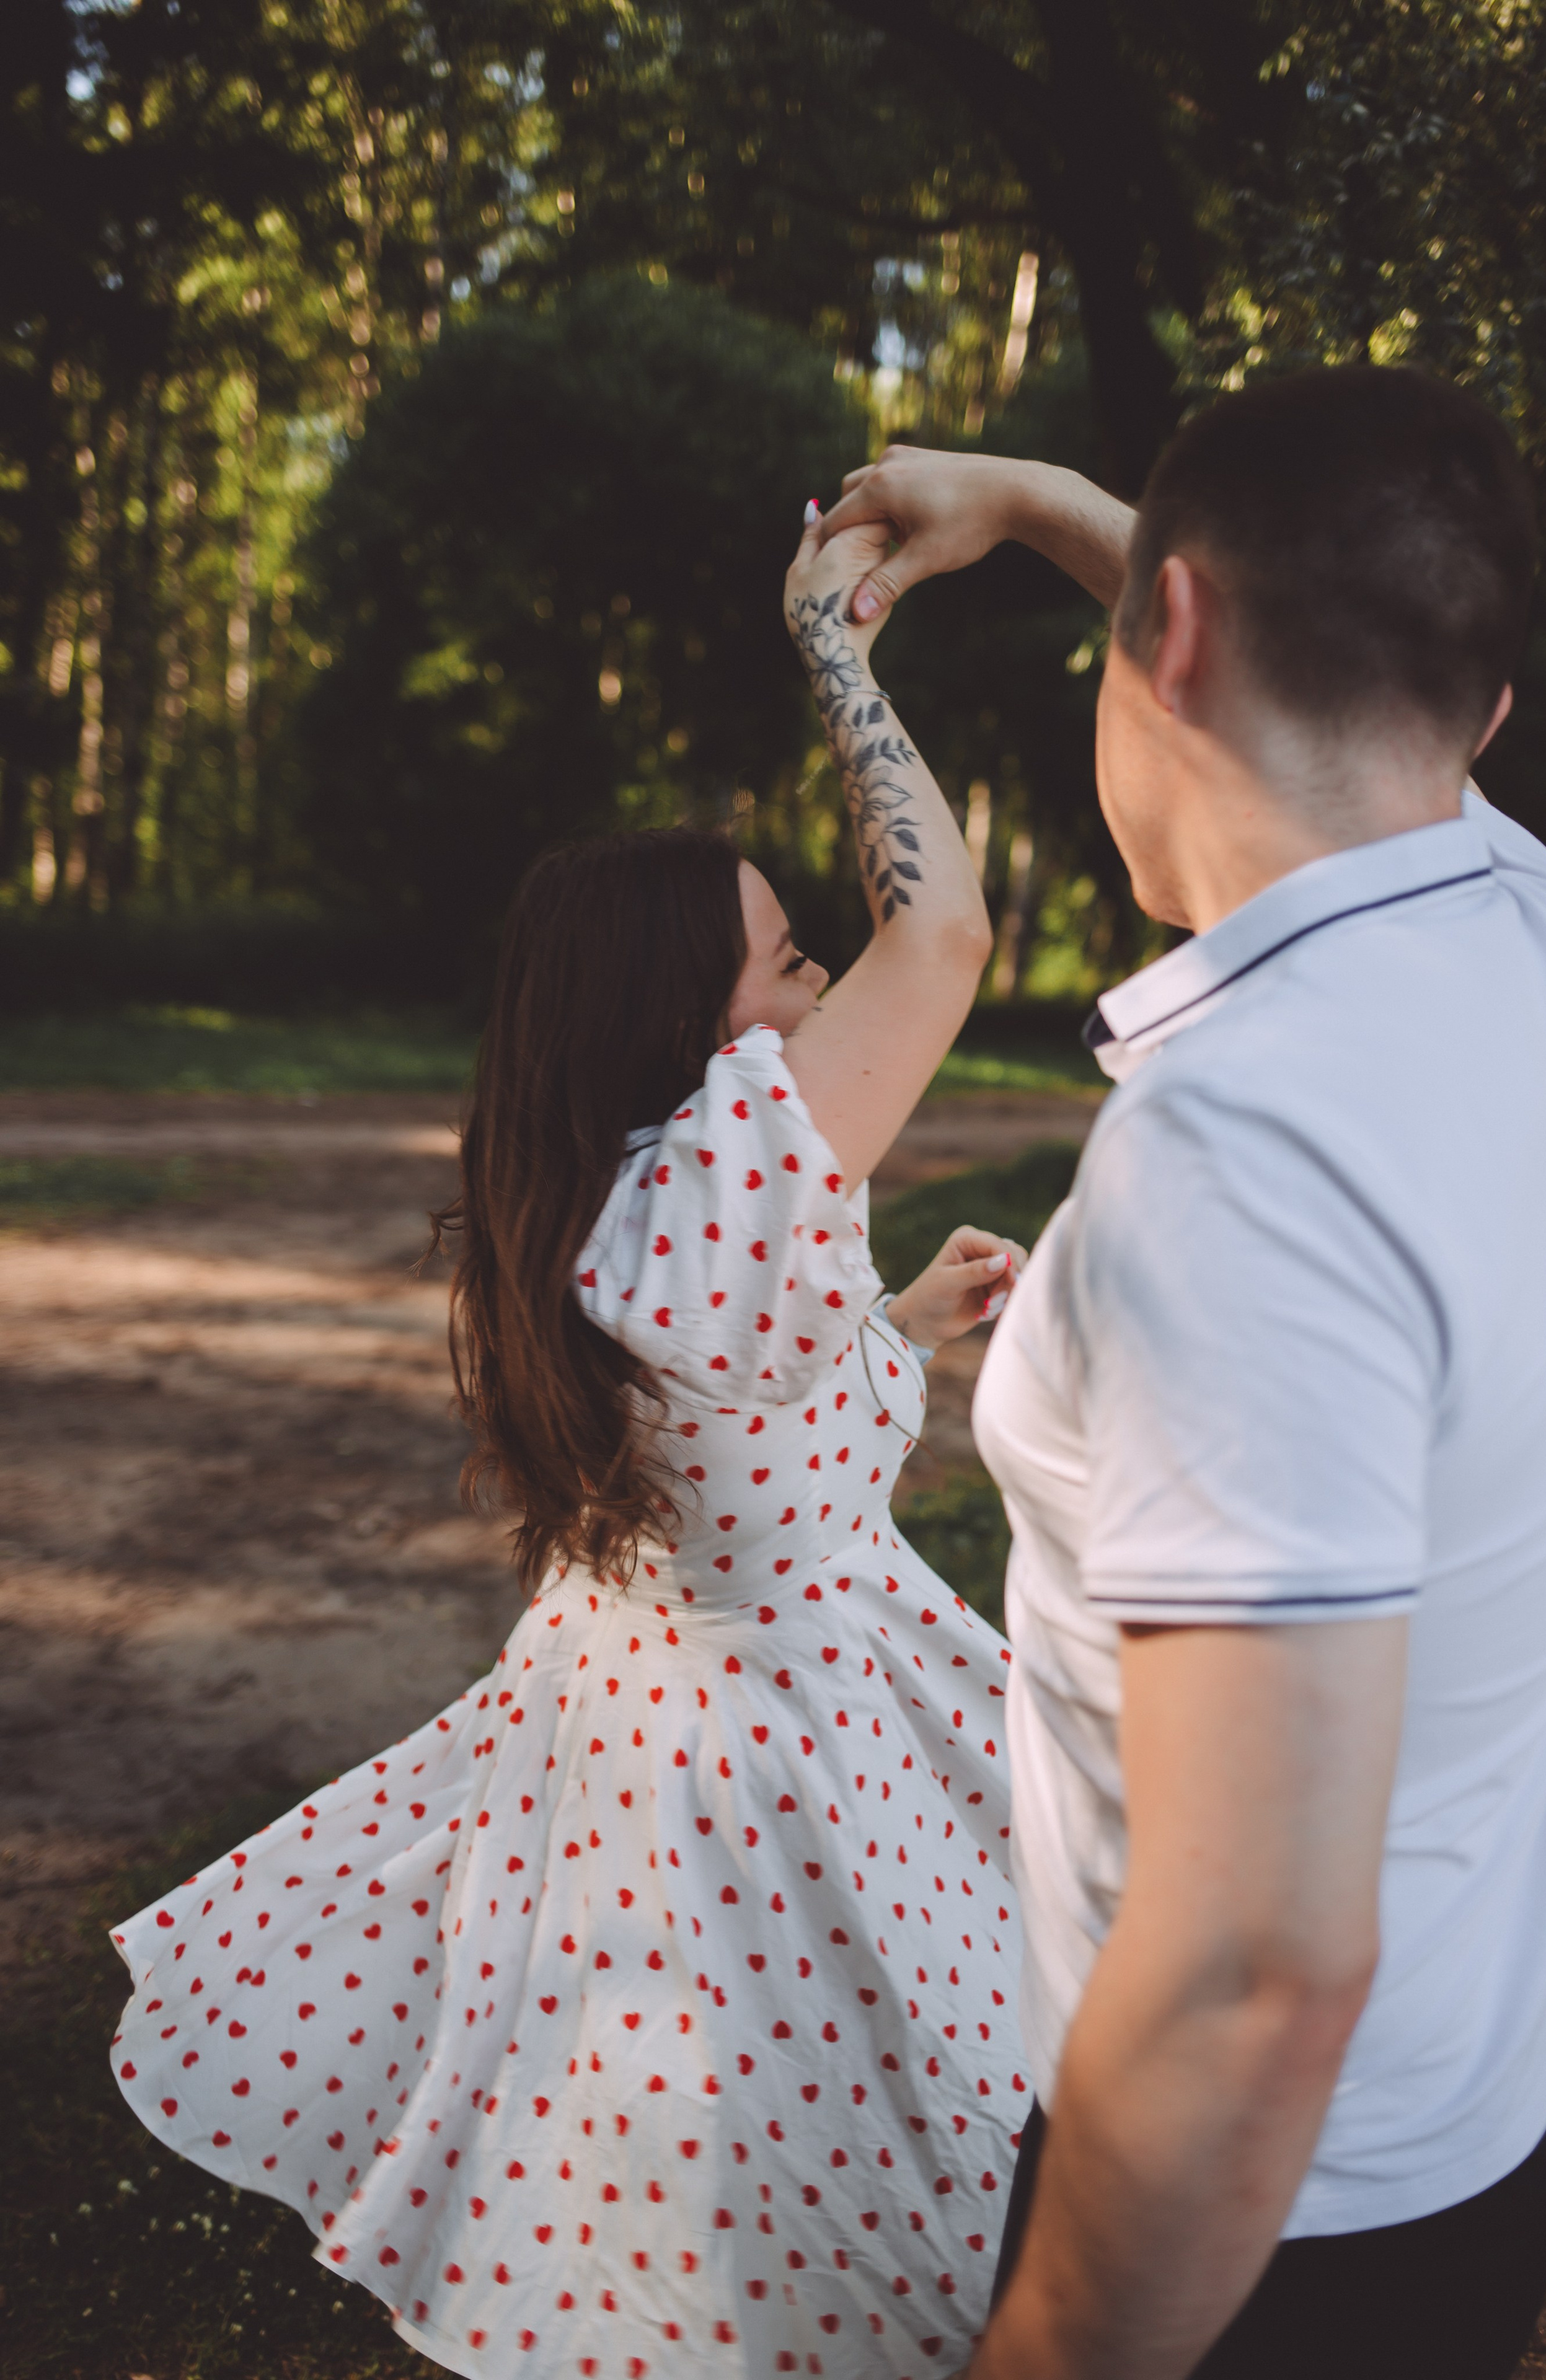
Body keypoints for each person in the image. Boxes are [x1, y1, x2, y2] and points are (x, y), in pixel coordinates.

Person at [107, 511, 1036, 2379]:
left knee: (755, 2218)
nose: (813, 994)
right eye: (782, 967)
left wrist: (896, 1324)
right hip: (788, 1790)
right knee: (938, 2190)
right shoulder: (723, 1184)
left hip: (652, 1748)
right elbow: (944, 925)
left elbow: (734, 1426)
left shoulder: (616, 1208)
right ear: (679, 1022)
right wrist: (836, 648)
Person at [820, 365, 1546, 2379]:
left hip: (1251, 2219)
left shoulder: (1251, 1156)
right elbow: (1364, 712)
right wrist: (1069, 506)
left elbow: (1256, 1968)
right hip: (1490, 2111)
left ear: (1167, 630)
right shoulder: (1540, 935)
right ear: (1487, 718)